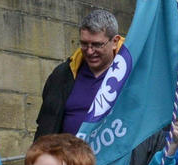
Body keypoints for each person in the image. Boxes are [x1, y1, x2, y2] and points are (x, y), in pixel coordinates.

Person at [34, 10, 123, 138]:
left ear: (115, 41)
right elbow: (46, 125)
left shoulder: (132, 74)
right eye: (84, 44)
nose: (90, 51)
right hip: (66, 156)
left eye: (97, 45)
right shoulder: (63, 75)